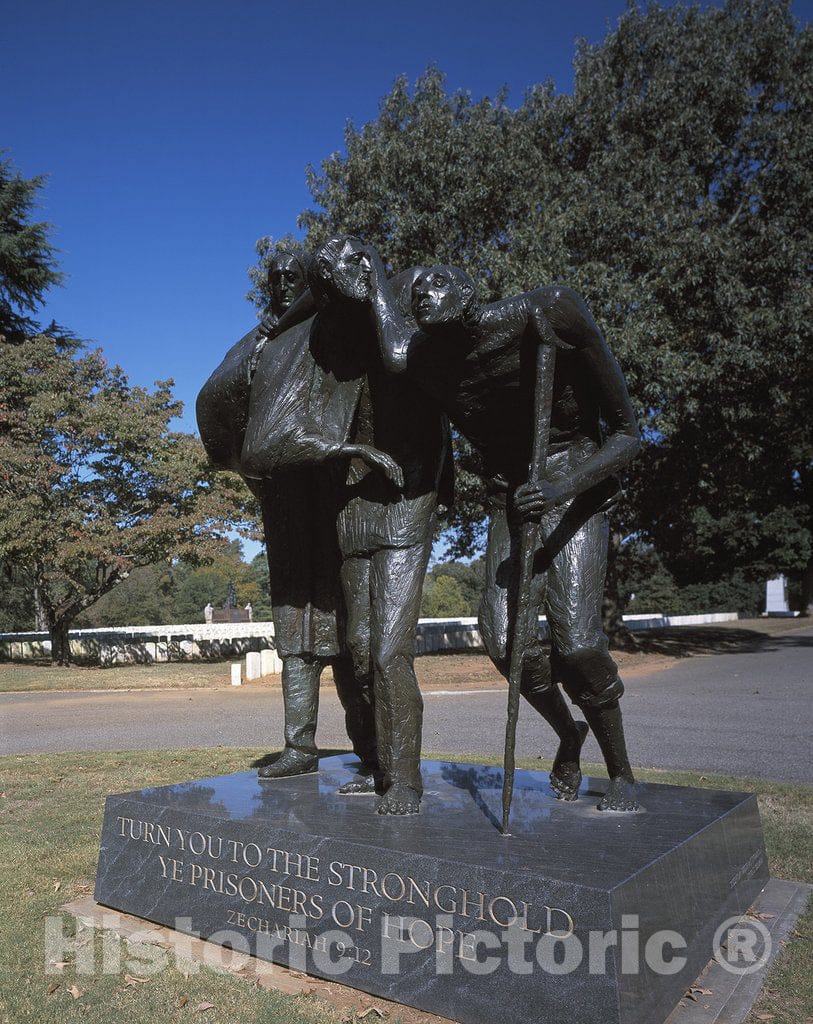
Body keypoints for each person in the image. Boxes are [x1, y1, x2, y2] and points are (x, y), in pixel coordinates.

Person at [368, 256, 642, 811]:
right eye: (413, 290)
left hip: (574, 483)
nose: (421, 293)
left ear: (470, 295)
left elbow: (629, 436)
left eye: (437, 282)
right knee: (501, 641)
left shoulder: (550, 312)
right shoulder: (425, 364)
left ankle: (622, 773)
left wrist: (563, 486)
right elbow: (384, 336)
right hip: (513, 498)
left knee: (579, 642)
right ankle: (568, 734)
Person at [243, 236, 451, 815]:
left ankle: (404, 780)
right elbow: (264, 440)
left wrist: (376, 277)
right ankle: (382, 764)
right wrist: (344, 447)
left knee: (387, 654)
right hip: (354, 507)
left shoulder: (398, 313)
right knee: (358, 652)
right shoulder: (316, 350)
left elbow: (402, 357)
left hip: (407, 499)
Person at [196, 250, 378, 783]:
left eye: (290, 279)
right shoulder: (262, 341)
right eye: (274, 280)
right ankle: (299, 744)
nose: (280, 286)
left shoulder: (326, 332)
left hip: (333, 493)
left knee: (345, 631)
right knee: (293, 627)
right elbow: (217, 396)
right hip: (284, 500)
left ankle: (370, 748)